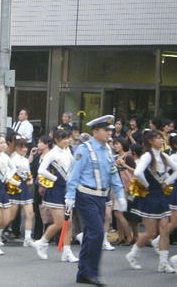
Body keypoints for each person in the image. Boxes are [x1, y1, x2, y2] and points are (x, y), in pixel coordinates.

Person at [66, 115, 127, 286]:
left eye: (110, 131)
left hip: (101, 196)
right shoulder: (85, 149)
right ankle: (92, 272)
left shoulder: (108, 150)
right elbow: (74, 174)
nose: (109, 133)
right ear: (95, 132)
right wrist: (69, 196)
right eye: (105, 130)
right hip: (85, 195)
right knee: (98, 233)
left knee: (91, 234)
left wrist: (120, 194)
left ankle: (84, 272)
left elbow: (113, 173)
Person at [126, 130, 177, 273]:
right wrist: (146, 184)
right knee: (150, 232)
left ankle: (163, 262)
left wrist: (167, 181)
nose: (161, 140)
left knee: (164, 230)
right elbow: (137, 172)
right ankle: (132, 254)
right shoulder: (147, 156)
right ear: (150, 141)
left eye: (161, 138)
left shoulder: (164, 155)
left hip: (161, 196)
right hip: (149, 196)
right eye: (158, 138)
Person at [33, 129, 79, 263]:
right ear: (56, 140)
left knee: (68, 222)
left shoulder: (68, 151)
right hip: (54, 191)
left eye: (68, 138)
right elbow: (41, 170)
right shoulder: (52, 154)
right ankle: (42, 242)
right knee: (60, 222)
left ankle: (67, 251)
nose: (68, 140)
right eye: (64, 138)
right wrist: (55, 178)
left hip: (67, 191)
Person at [8, 137, 35, 247]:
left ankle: (27, 238)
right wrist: (18, 183)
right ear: (17, 148)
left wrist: (30, 180)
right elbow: (8, 176)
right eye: (22, 147)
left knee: (30, 213)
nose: (25, 149)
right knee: (10, 216)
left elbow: (28, 173)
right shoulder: (12, 159)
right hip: (15, 188)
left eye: (26, 147)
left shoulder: (25, 160)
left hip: (24, 188)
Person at [113, 137, 135, 245]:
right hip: (116, 187)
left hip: (125, 187)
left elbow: (136, 172)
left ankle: (129, 236)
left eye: (117, 143)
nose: (115, 146)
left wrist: (124, 165)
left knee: (118, 213)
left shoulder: (128, 156)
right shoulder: (116, 157)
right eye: (114, 144)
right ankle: (120, 237)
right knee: (117, 213)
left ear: (123, 144)